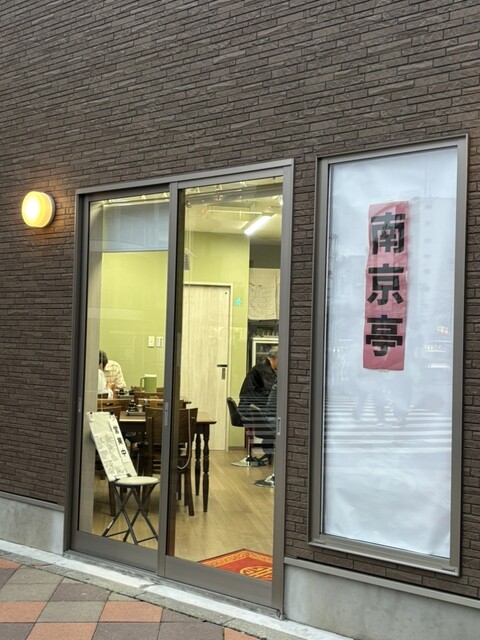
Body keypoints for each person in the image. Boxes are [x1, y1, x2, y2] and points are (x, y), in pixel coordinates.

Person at [238, 346, 278, 414]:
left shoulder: (261, 367)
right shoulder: (265, 371)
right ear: (277, 359)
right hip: (251, 410)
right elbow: (271, 392)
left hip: (247, 407)